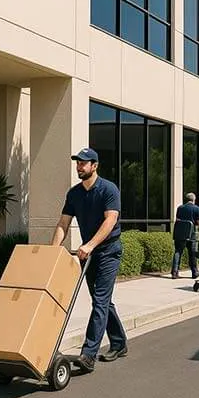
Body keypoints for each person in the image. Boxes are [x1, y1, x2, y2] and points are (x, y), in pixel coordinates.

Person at [51, 147, 128, 373]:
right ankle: (119, 342)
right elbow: (63, 224)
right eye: (77, 163)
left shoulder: (108, 189)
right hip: (89, 253)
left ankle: (88, 354)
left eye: (83, 163)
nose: (79, 166)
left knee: (101, 301)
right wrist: (52, 252)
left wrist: (90, 244)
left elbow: (110, 220)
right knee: (101, 300)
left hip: (108, 251)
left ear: (94, 166)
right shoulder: (74, 193)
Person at [171, 193, 199, 279]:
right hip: (191, 234)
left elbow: (178, 220)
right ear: (194, 200)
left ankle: (174, 272)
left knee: (178, 252)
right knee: (192, 253)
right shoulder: (197, 209)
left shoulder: (180, 208)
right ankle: (194, 272)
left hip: (180, 234)